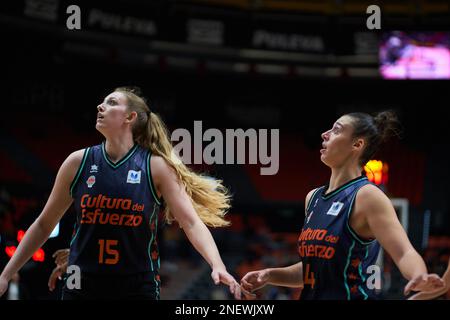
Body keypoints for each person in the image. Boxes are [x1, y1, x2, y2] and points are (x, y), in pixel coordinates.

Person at [0, 86, 241, 300]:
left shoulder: (155, 167)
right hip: (81, 281)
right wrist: (6, 274)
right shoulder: (78, 162)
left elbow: (190, 222)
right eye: (103, 102)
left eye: (111, 102)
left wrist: (216, 264)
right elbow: (44, 224)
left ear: (130, 117)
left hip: (137, 284)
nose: (100, 106)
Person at [241, 111, 444, 300]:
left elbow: (403, 252)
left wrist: (420, 275)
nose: (325, 134)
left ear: (357, 145)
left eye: (336, 130)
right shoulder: (313, 197)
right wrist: (269, 275)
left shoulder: (367, 196)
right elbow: (315, 269)